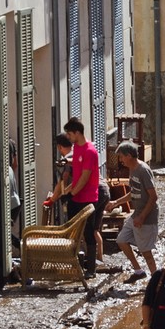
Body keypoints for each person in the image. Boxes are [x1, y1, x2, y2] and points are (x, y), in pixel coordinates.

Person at [106, 141, 158, 279]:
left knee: (146, 252)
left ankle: (156, 281)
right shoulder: (132, 169)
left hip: (147, 217)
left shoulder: (143, 170)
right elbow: (134, 192)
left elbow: (153, 197)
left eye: (122, 157)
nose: (121, 160)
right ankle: (138, 271)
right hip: (137, 214)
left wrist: (142, 217)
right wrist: (116, 202)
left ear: (129, 155)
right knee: (122, 240)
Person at [63, 118, 100, 276]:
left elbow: (85, 177)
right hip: (76, 196)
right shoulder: (77, 148)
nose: (69, 137)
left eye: (70, 134)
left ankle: (91, 268)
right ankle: (75, 264)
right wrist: (68, 191)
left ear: (77, 133)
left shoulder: (89, 151)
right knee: (73, 232)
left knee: (89, 232)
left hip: (88, 198)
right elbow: (77, 175)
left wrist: (72, 193)